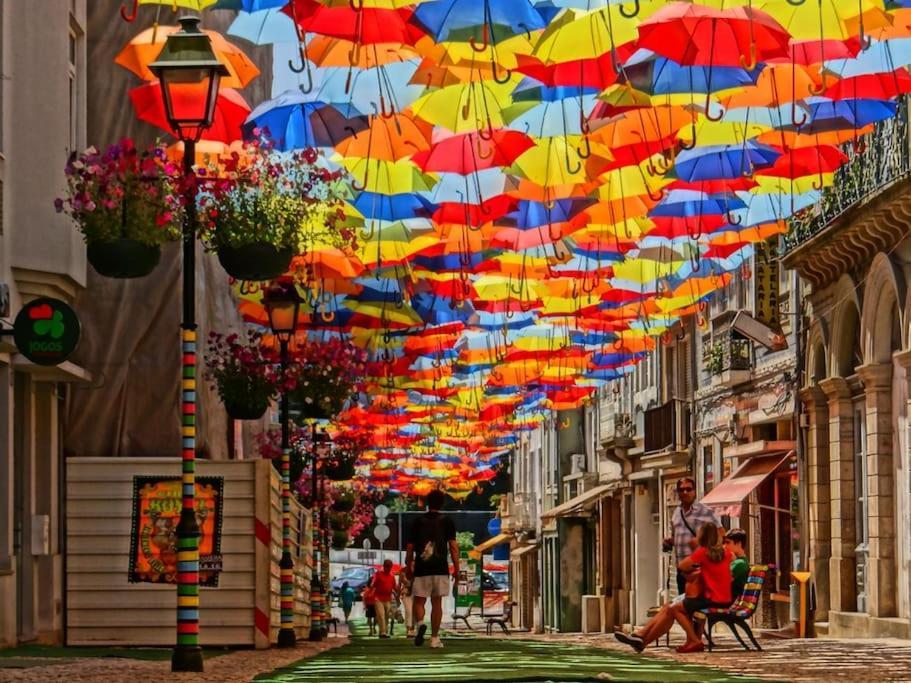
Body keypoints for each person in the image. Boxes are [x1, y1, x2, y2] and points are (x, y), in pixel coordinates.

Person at [617, 522, 733, 654]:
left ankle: (694, 640)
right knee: (668, 607)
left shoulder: (703, 552)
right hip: (724, 598)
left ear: (702, 536)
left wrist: (696, 567)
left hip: (710, 598)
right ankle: (640, 638)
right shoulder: (726, 553)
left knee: (674, 609)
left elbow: (682, 566)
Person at [405, 488, 459, 649]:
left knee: (419, 601)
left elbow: (409, 547)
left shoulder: (418, 521)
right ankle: (435, 638)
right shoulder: (447, 521)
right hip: (441, 568)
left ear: (427, 503)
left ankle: (420, 623)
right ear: (442, 503)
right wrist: (457, 568)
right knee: (437, 604)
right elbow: (453, 547)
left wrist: (409, 565)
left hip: (422, 568)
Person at [666, 477, 721, 596]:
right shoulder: (676, 513)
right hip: (681, 570)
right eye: (681, 490)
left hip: (699, 570)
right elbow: (675, 536)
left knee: (692, 607)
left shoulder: (704, 511)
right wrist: (670, 541)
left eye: (688, 489)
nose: (685, 492)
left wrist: (702, 543)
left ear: (694, 491)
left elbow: (721, 533)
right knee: (683, 605)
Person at [371, 559, 398, 638]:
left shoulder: (392, 576)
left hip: (388, 599)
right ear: (384, 566)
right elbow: (373, 584)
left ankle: (384, 631)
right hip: (378, 598)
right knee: (381, 615)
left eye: (390, 567)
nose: (389, 568)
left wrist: (398, 594)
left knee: (386, 616)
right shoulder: (378, 574)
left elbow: (394, 586)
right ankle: (383, 632)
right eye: (387, 566)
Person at [724, 528, 749, 599]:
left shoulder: (739, 563)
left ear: (738, 544)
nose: (725, 546)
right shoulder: (738, 561)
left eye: (728, 542)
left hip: (726, 602)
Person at [398, 566, 415, 638]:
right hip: (406, 593)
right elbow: (403, 582)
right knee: (409, 611)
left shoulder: (419, 569)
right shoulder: (403, 571)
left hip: (416, 593)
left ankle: (412, 628)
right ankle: (409, 629)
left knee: (414, 612)